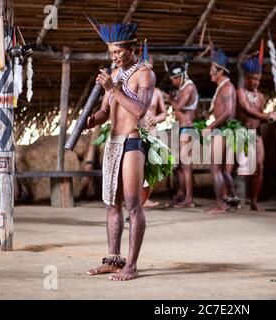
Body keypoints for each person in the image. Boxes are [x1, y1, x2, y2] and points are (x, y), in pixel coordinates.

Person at [85, 19, 156, 281]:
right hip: (113, 143)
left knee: (132, 205)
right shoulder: (114, 75)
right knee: (111, 205)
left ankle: (132, 265)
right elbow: (105, 111)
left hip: (132, 142)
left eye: (119, 52)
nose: (114, 57)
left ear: (132, 48)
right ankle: (114, 260)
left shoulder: (144, 73)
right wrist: (92, 119)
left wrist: (113, 88)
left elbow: (139, 111)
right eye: (111, 52)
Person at [237, 53, 276, 211]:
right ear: (247, 78)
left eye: (258, 79)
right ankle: (239, 200)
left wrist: (273, 118)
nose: (256, 82)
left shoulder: (261, 97)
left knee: (259, 167)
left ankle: (254, 200)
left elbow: (260, 117)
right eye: (253, 79)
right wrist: (268, 116)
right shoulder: (240, 92)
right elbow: (247, 110)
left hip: (256, 134)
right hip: (241, 133)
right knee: (243, 167)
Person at [203, 47, 239, 214]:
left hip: (223, 131)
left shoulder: (227, 87)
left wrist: (211, 126)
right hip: (222, 130)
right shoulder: (223, 87)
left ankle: (220, 204)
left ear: (220, 71)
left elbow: (228, 112)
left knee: (215, 168)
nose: (210, 74)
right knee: (223, 170)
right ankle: (233, 199)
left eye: (212, 70)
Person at [164, 63, 199, 208]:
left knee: (186, 166)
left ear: (179, 77)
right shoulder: (183, 88)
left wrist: (169, 99)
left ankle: (189, 199)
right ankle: (181, 194)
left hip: (187, 129)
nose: (173, 82)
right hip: (181, 129)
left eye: (174, 79)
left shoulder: (189, 87)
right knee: (179, 165)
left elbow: (178, 106)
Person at [139, 47, 168, 209]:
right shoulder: (134, 88)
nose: (148, 69)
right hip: (136, 134)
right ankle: (134, 201)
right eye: (145, 65)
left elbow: (164, 114)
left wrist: (156, 118)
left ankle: (144, 199)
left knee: (150, 170)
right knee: (134, 169)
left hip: (152, 134)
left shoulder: (157, 92)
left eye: (150, 66)